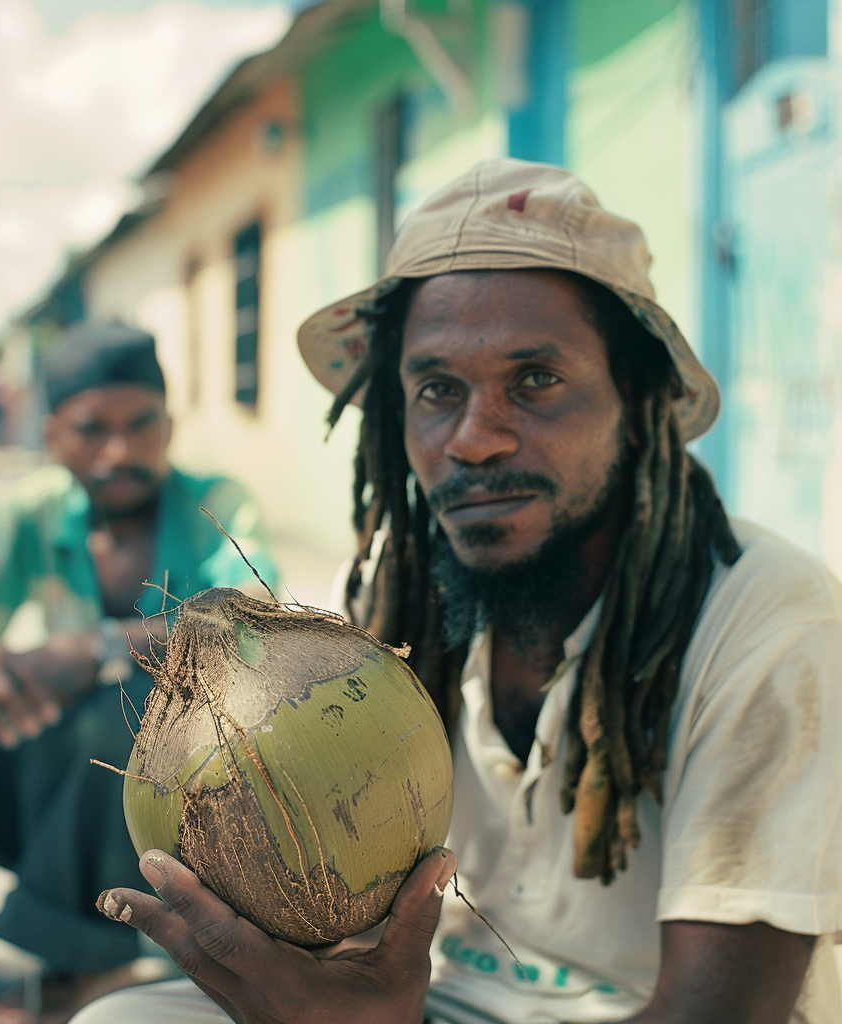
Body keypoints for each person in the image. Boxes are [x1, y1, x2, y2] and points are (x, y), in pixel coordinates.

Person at [70, 160, 842, 1024]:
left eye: (537, 380)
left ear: (638, 397)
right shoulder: (382, 592)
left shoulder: (767, 618)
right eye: (437, 390)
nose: (473, 439)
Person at [0, 322, 278, 1024]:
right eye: (91, 429)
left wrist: (97, 646)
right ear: (54, 435)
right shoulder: (38, 509)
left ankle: (87, 964)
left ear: (169, 424)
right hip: (61, 796)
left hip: (197, 814)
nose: (118, 450)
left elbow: (256, 619)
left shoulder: (217, 502)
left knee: (126, 698)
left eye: (139, 424)